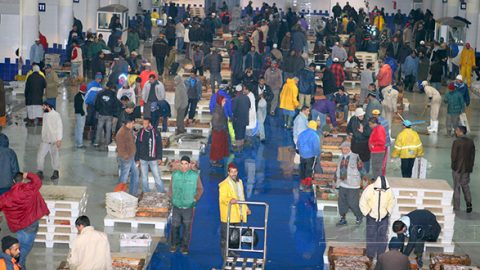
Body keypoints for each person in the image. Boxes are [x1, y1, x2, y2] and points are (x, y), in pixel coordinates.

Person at [0, 172, 50, 268]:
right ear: (22, 180)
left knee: (19, 248)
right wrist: (27, 174)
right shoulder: (30, 188)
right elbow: (37, 181)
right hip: (31, 225)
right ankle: (19, 265)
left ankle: (17, 264)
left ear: (13, 181)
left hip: (18, 226)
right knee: (23, 249)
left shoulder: (7, 197)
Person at [168, 156, 204, 255]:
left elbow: (200, 189)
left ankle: (184, 246)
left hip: (188, 206)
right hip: (176, 205)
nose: (184, 166)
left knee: (187, 227)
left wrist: (195, 198)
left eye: (186, 164)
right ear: (180, 164)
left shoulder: (195, 176)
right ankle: (174, 244)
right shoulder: (175, 175)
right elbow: (170, 187)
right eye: (182, 163)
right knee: (175, 225)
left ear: (189, 164)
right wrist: (172, 198)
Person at [219, 163, 250, 258]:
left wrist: (246, 208)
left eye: (235, 171)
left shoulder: (239, 182)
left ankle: (232, 251)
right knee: (226, 236)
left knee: (235, 235)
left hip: (237, 213)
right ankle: (225, 254)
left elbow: (242, 197)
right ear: (228, 172)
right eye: (231, 172)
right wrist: (230, 200)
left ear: (237, 172)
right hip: (228, 214)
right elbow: (222, 199)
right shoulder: (224, 184)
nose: (233, 173)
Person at [360, 176, 395, 260]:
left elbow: (392, 201)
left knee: (382, 237)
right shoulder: (369, 189)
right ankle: (370, 255)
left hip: (384, 218)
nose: (383, 191)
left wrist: (388, 211)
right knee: (371, 236)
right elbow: (362, 201)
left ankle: (381, 255)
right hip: (371, 217)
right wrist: (367, 212)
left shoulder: (388, 190)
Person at [336, 141, 366, 226]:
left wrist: (364, 183)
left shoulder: (356, 157)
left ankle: (359, 216)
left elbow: (362, 170)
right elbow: (337, 170)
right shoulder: (341, 157)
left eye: (345, 148)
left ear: (349, 148)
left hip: (353, 184)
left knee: (353, 202)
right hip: (342, 184)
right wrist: (335, 182)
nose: (343, 150)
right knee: (341, 202)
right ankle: (343, 218)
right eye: (342, 149)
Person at [136, 118, 164, 193]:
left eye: (145, 123)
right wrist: (137, 158)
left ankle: (161, 192)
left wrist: (159, 157)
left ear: (150, 124)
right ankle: (145, 192)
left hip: (153, 158)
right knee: (144, 177)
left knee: (157, 176)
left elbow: (159, 146)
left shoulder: (156, 133)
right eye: (143, 123)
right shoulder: (140, 132)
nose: (144, 125)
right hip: (143, 158)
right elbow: (137, 145)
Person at [451, 125, 475, 212]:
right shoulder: (471, 142)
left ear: (461, 131)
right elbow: (472, 156)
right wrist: (470, 167)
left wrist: (453, 166)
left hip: (457, 168)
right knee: (465, 186)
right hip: (467, 169)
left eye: (457, 130)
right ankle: (469, 204)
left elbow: (453, 157)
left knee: (456, 187)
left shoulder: (456, 142)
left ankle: (456, 207)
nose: (455, 132)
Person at [36, 101, 62, 181]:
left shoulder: (56, 115)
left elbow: (60, 127)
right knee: (40, 155)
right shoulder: (45, 114)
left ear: (48, 106)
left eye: (43, 106)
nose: (42, 108)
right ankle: (40, 171)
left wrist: (59, 139)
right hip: (45, 140)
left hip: (54, 140)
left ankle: (56, 171)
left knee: (54, 156)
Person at [115, 118, 139, 195]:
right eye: (132, 123)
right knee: (124, 177)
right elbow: (120, 147)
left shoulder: (128, 130)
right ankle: (119, 195)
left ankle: (133, 193)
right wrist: (126, 156)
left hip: (130, 157)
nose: (133, 125)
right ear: (128, 123)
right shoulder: (121, 133)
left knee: (135, 173)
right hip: (126, 158)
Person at [297, 120, 320, 192]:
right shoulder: (315, 135)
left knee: (302, 169)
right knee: (309, 170)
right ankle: (307, 186)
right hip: (310, 156)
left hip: (302, 155)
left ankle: (301, 185)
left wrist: (301, 152)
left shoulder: (302, 134)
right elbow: (316, 147)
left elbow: (298, 144)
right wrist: (317, 154)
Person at [347, 108, 371, 173]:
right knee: (355, 160)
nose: (361, 117)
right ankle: (355, 173)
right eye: (359, 116)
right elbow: (348, 128)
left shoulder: (368, 120)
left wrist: (363, 131)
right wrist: (349, 133)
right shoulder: (353, 119)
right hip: (355, 144)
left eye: (362, 115)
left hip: (364, 145)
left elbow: (370, 133)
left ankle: (366, 174)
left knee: (365, 160)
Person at [94, 82, 118, 147]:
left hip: (101, 114)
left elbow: (97, 103)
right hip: (109, 115)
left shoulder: (101, 93)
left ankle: (96, 142)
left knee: (99, 128)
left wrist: (98, 110)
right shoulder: (113, 95)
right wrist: (114, 115)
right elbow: (115, 105)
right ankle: (107, 143)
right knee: (108, 129)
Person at [210, 95, 229, 167]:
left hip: (220, 130)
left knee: (220, 145)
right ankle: (214, 161)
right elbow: (214, 122)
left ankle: (217, 158)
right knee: (216, 146)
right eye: (223, 101)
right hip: (218, 131)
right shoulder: (217, 110)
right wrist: (219, 129)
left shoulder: (221, 108)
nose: (225, 102)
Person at [232, 84, 251, 151]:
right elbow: (249, 106)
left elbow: (233, 110)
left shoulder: (236, 99)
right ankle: (242, 146)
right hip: (245, 119)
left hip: (237, 119)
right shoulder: (247, 97)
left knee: (238, 134)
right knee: (242, 132)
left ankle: (238, 147)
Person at [74, 83, 87, 149]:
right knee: (80, 129)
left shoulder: (77, 95)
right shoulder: (81, 96)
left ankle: (77, 142)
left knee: (77, 128)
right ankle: (80, 144)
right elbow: (80, 107)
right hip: (81, 115)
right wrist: (83, 113)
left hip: (77, 114)